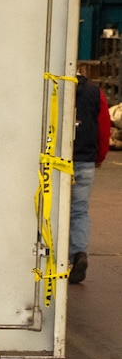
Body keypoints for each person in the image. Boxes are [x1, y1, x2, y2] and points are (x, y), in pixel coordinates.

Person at [70, 72, 111, 285]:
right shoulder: (96, 93)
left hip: (54, 160)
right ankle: (78, 254)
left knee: (48, 211)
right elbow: (104, 128)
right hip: (84, 161)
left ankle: (50, 258)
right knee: (79, 211)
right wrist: (100, 156)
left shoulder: (51, 87)